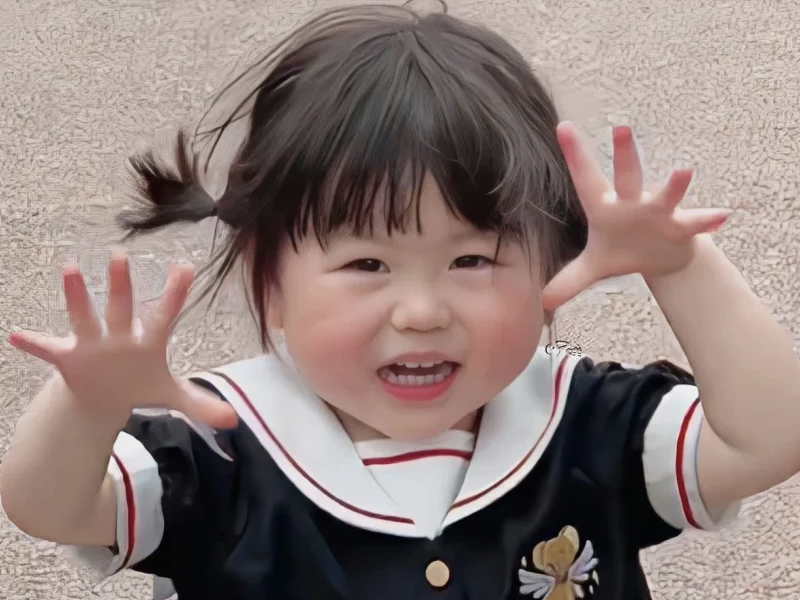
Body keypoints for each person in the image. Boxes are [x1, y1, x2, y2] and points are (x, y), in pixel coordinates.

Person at [2, 3, 799, 600]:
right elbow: (47, 506)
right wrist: (86, 403)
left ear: (552, 261)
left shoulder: (586, 423)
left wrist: (680, 264)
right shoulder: (220, 446)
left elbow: (771, 439)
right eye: (367, 263)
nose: (421, 311)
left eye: (471, 259)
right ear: (267, 277)